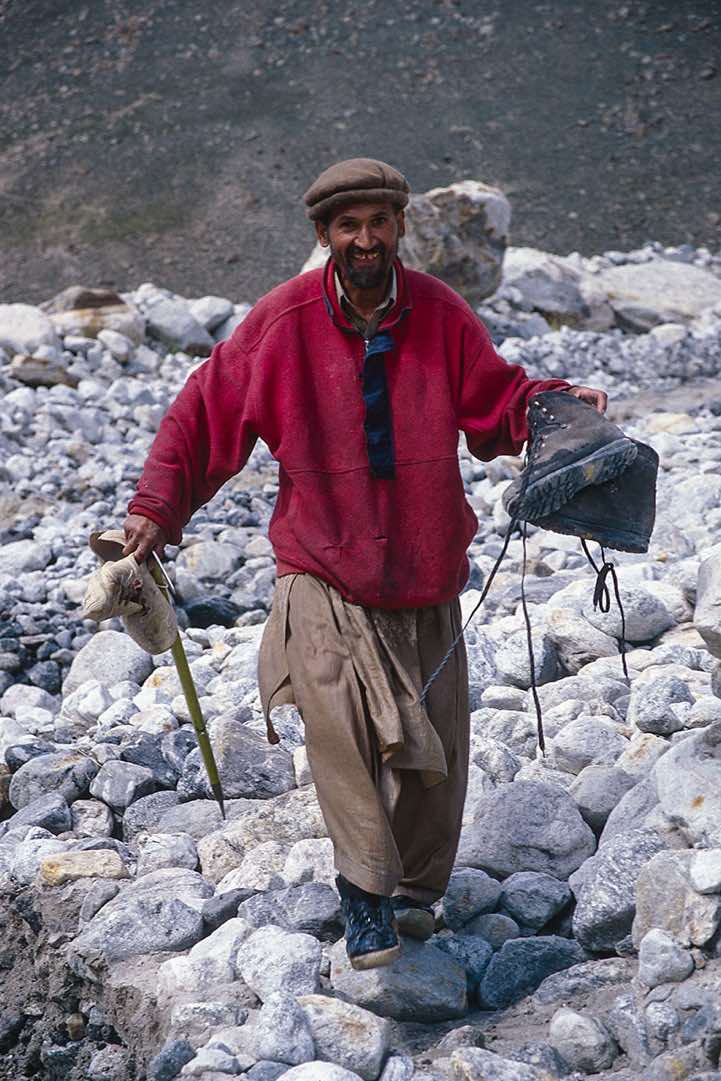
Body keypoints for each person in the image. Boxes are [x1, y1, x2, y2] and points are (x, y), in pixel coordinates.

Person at [123, 158, 607, 971]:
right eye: (347, 225)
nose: (365, 239)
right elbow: (205, 413)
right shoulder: (281, 322)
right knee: (338, 723)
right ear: (324, 234)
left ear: (399, 226)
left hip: (422, 569)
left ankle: (413, 890)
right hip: (320, 565)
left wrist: (552, 406)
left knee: (433, 753)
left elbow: (495, 400)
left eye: (378, 221)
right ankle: (362, 889)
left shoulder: (441, 314)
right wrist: (155, 510)